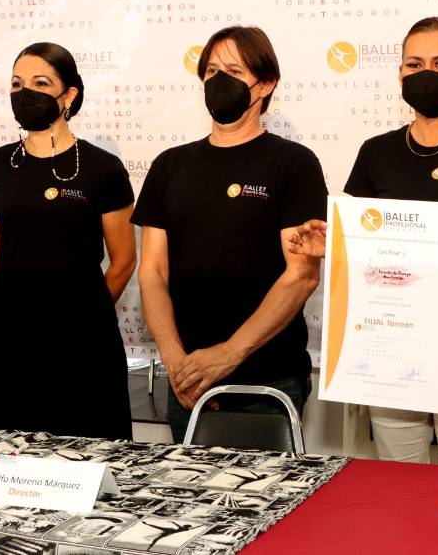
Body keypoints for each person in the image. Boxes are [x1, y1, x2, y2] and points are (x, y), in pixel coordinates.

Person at [288, 17, 438, 467]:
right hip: (391, 345)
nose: (426, 74)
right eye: (414, 64)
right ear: (400, 73)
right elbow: (359, 243)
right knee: (397, 487)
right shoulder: (376, 152)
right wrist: (331, 247)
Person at [133, 26, 327, 442]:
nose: (220, 81)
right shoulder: (169, 165)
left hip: (268, 380)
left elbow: (301, 275)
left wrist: (228, 354)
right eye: (212, 71)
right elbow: (152, 272)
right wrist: (177, 363)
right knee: (188, 485)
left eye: (235, 71)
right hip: (186, 380)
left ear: (266, 84)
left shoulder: (294, 164)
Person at [0, 42, 136, 439]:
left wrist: (86, 314)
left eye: (40, 83)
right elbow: (6, 253)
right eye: (17, 83)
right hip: (13, 338)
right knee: (12, 453)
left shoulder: (103, 168)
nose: (24, 92)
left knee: (91, 452)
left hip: (85, 342)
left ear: (69, 95)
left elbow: (124, 261)